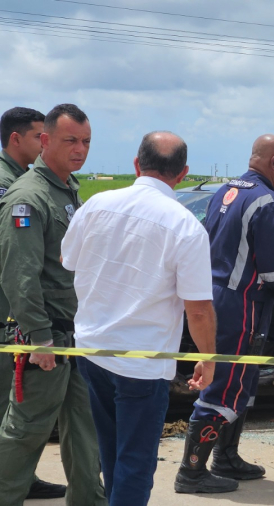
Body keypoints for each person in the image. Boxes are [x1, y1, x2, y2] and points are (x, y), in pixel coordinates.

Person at [61, 132, 218, 505]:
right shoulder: (185, 226)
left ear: (136, 164)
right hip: (143, 364)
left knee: (113, 450)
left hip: (93, 352)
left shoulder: (97, 204)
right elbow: (197, 308)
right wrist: (208, 358)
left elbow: (68, 262)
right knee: (135, 460)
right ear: (183, 174)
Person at [175, 134, 274, 494]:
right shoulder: (269, 204)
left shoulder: (226, 190)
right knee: (224, 385)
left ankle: (226, 457)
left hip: (214, 293)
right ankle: (192, 472)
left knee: (240, 383)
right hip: (240, 303)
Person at [0, 103, 106, 505]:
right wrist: (40, 338)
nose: (80, 149)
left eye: (86, 141)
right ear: (44, 141)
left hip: (74, 335)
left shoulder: (66, 188)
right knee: (25, 432)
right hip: (45, 339)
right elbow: (19, 276)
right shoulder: (27, 198)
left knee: (85, 427)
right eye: (70, 141)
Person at [0, 106, 67, 501]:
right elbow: (15, 260)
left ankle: (22, 478)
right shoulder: (12, 187)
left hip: (15, 311)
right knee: (14, 412)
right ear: (15, 138)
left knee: (18, 411)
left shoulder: (23, 179)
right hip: (10, 311)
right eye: (38, 136)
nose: (44, 143)